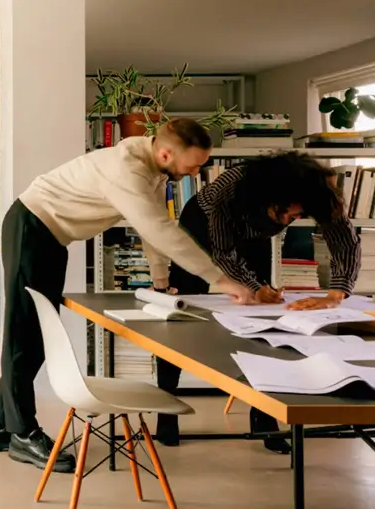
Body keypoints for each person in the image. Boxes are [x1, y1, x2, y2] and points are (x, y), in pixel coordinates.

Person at [0, 119, 254, 472]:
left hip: (50, 238)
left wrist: (159, 280)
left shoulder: (154, 171)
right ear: (167, 153)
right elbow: (163, 232)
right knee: (22, 335)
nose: (198, 171)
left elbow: (152, 227)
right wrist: (223, 280)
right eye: (195, 164)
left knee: (36, 338)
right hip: (31, 227)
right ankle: (22, 433)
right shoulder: (127, 171)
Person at [154, 151, 360, 454]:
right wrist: (252, 285)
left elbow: (344, 238)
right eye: (289, 214)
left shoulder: (315, 192)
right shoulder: (231, 187)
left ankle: (263, 415)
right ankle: (166, 411)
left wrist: (336, 293)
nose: (292, 221)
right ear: (274, 196)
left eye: (297, 216)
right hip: (200, 225)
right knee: (180, 313)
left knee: (264, 317)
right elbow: (223, 250)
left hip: (253, 232)